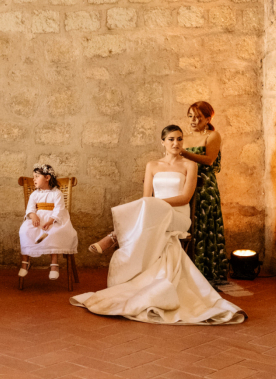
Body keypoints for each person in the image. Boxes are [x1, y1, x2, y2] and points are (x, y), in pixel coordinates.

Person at [72, 125, 245, 325]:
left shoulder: (190, 165)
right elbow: (146, 198)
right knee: (149, 207)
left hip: (178, 214)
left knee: (151, 207)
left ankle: (115, 236)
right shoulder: (152, 165)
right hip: (155, 214)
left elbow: (185, 197)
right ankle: (118, 238)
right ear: (162, 142)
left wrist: (158, 203)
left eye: (179, 139)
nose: (176, 143)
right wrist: (154, 205)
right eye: (171, 139)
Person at [180, 101, 228, 285]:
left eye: (198, 117)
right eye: (191, 116)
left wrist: (183, 152)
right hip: (186, 184)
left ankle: (206, 270)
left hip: (205, 186)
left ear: (208, 119)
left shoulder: (213, 135)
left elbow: (208, 160)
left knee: (204, 225)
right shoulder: (184, 137)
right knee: (189, 225)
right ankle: (186, 268)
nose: (194, 120)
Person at [18, 164, 78, 281]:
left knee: (53, 233)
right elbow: (30, 208)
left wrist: (51, 221)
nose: (34, 179)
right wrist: (33, 216)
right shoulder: (34, 194)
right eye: (33, 176)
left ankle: (54, 264)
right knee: (25, 231)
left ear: (47, 178)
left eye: (37, 176)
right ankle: (25, 262)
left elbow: (59, 209)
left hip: (54, 219)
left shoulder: (57, 194)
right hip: (38, 219)